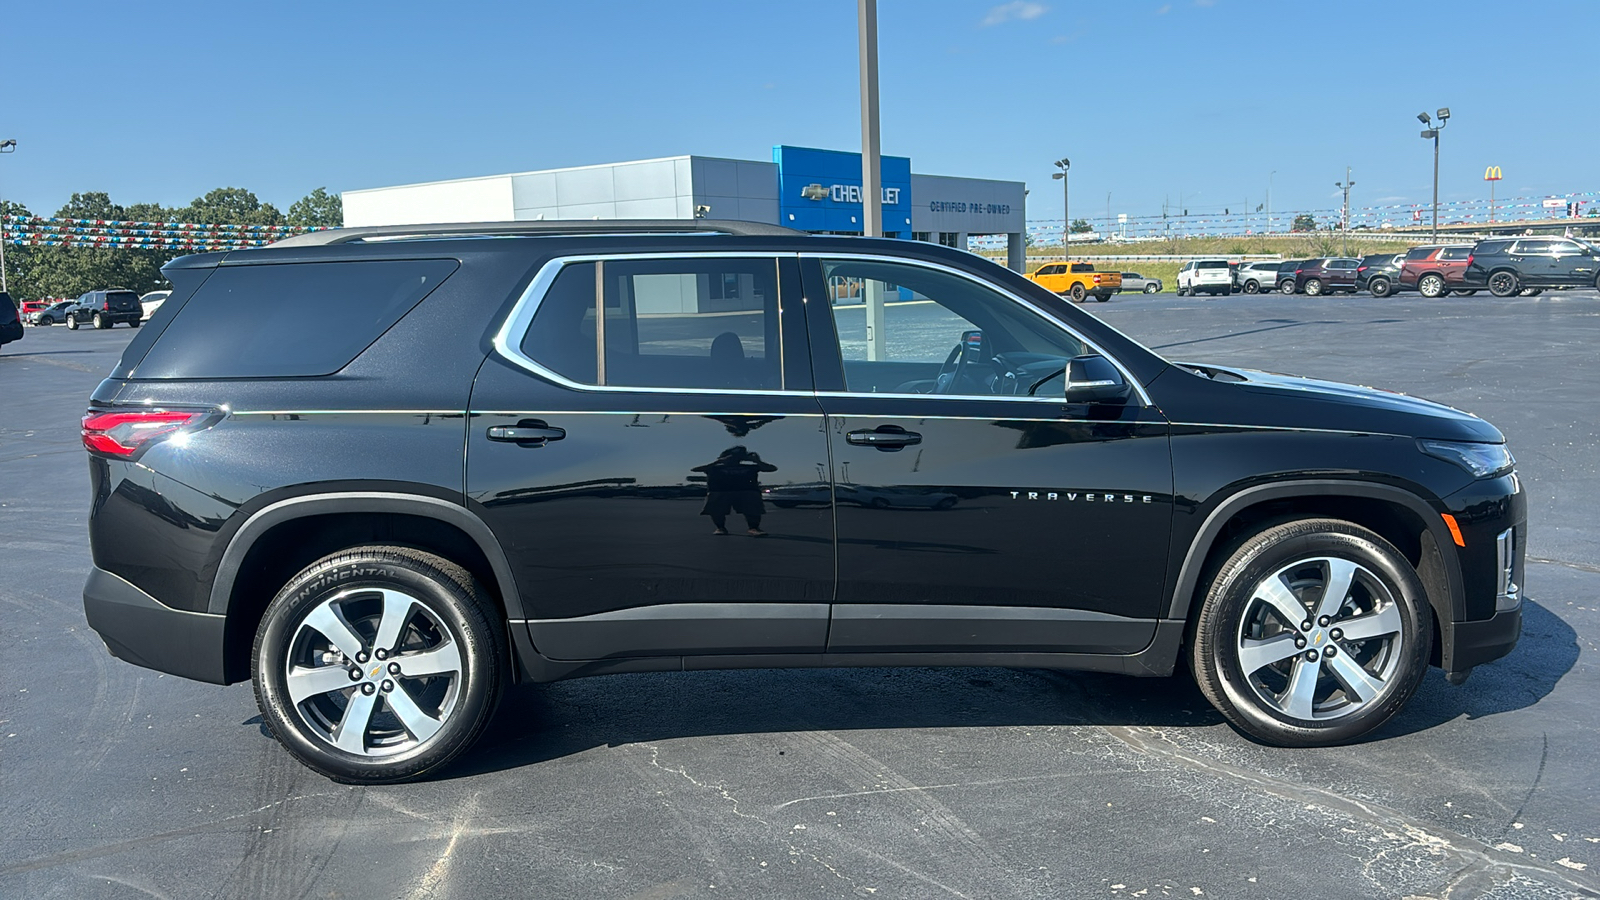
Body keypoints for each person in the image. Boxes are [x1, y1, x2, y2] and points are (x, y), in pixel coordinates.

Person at [691, 445, 777, 536]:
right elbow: (695, 469)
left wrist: (756, 461)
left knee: (752, 510)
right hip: (720, 491)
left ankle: (754, 528)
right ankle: (720, 528)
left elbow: (772, 469)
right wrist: (718, 462)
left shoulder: (750, 467)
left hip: (746, 490)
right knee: (716, 510)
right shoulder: (715, 467)